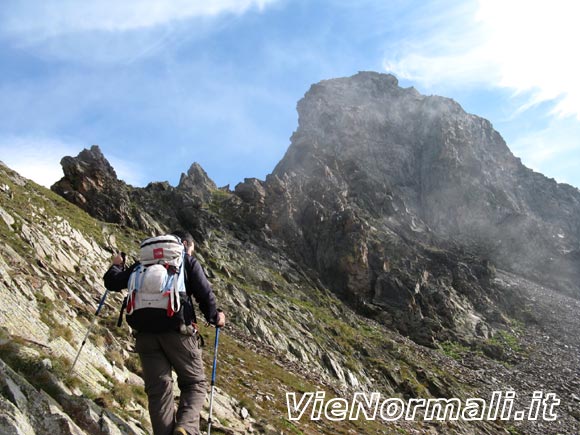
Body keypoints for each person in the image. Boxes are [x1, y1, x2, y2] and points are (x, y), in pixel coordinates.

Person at [104, 230, 226, 435]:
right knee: (195, 383)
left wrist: (117, 264)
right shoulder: (186, 260)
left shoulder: (143, 264)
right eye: (192, 249)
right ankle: (186, 428)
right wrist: (216, 318)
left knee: (158, 390)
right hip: (178, 332)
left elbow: (112, 282)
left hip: (144, 334)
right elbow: (205, 294)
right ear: (186, 244)